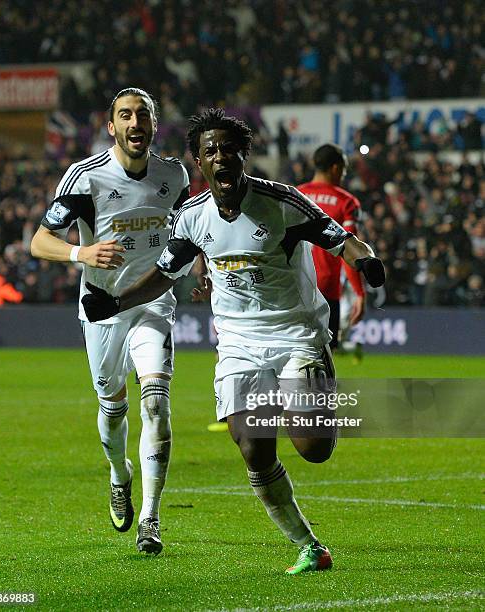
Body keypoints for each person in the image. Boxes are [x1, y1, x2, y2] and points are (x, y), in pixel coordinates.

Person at [81, 109, 385, 574]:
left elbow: (342, 239)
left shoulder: (281, 202)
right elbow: (163, 275)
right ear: (199, 163)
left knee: (314, 449)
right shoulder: (191, 217)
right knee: (252, 448)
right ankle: (309, 546)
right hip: (239, 345)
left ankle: (309, 390)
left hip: (295, 334)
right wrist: (116, 302)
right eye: (210, 151)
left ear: (244, 155)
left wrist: (365, 260)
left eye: (229, 149)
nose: (220, 157)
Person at [31, 87, 191, 555]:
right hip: (102, 305)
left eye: (143, 115)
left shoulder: (174, 176)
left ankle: (150, 518)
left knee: (157, 404)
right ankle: (119, 474)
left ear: (155, 125)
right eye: (126, 115)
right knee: (113, 405)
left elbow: (183, 232)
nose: (135, 123)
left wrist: (191, 273)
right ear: (111, 126)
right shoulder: (85, 179)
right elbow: (40, 241)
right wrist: (82, 252)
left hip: (152, 303)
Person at [297, 143, 366, 349]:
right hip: (325, 290)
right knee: (324, 357)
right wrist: (359, 293)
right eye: (343, 169)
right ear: (336, 168)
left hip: (293, 287)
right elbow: (350, 252)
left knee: (293, 353)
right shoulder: (346, 202)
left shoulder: (294, 195)